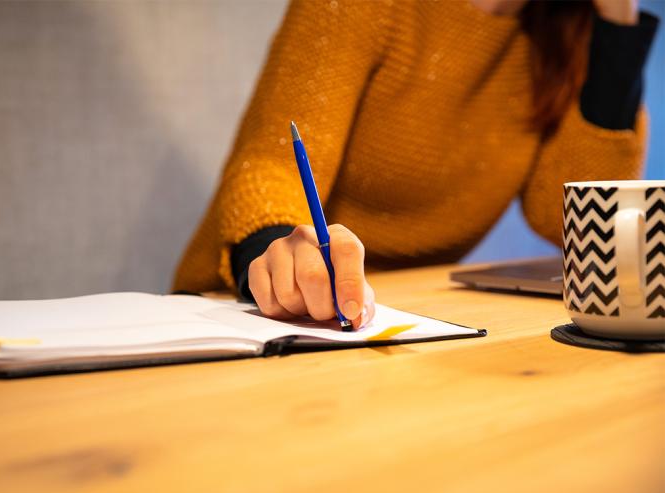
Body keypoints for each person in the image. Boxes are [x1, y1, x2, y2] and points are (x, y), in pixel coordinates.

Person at [173, 0, 659, 329]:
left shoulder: (561, 39)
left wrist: (618, 26)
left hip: (400, 322)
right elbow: (269, 167)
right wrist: (278, 252)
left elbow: (567, 219)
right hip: (255, 310)